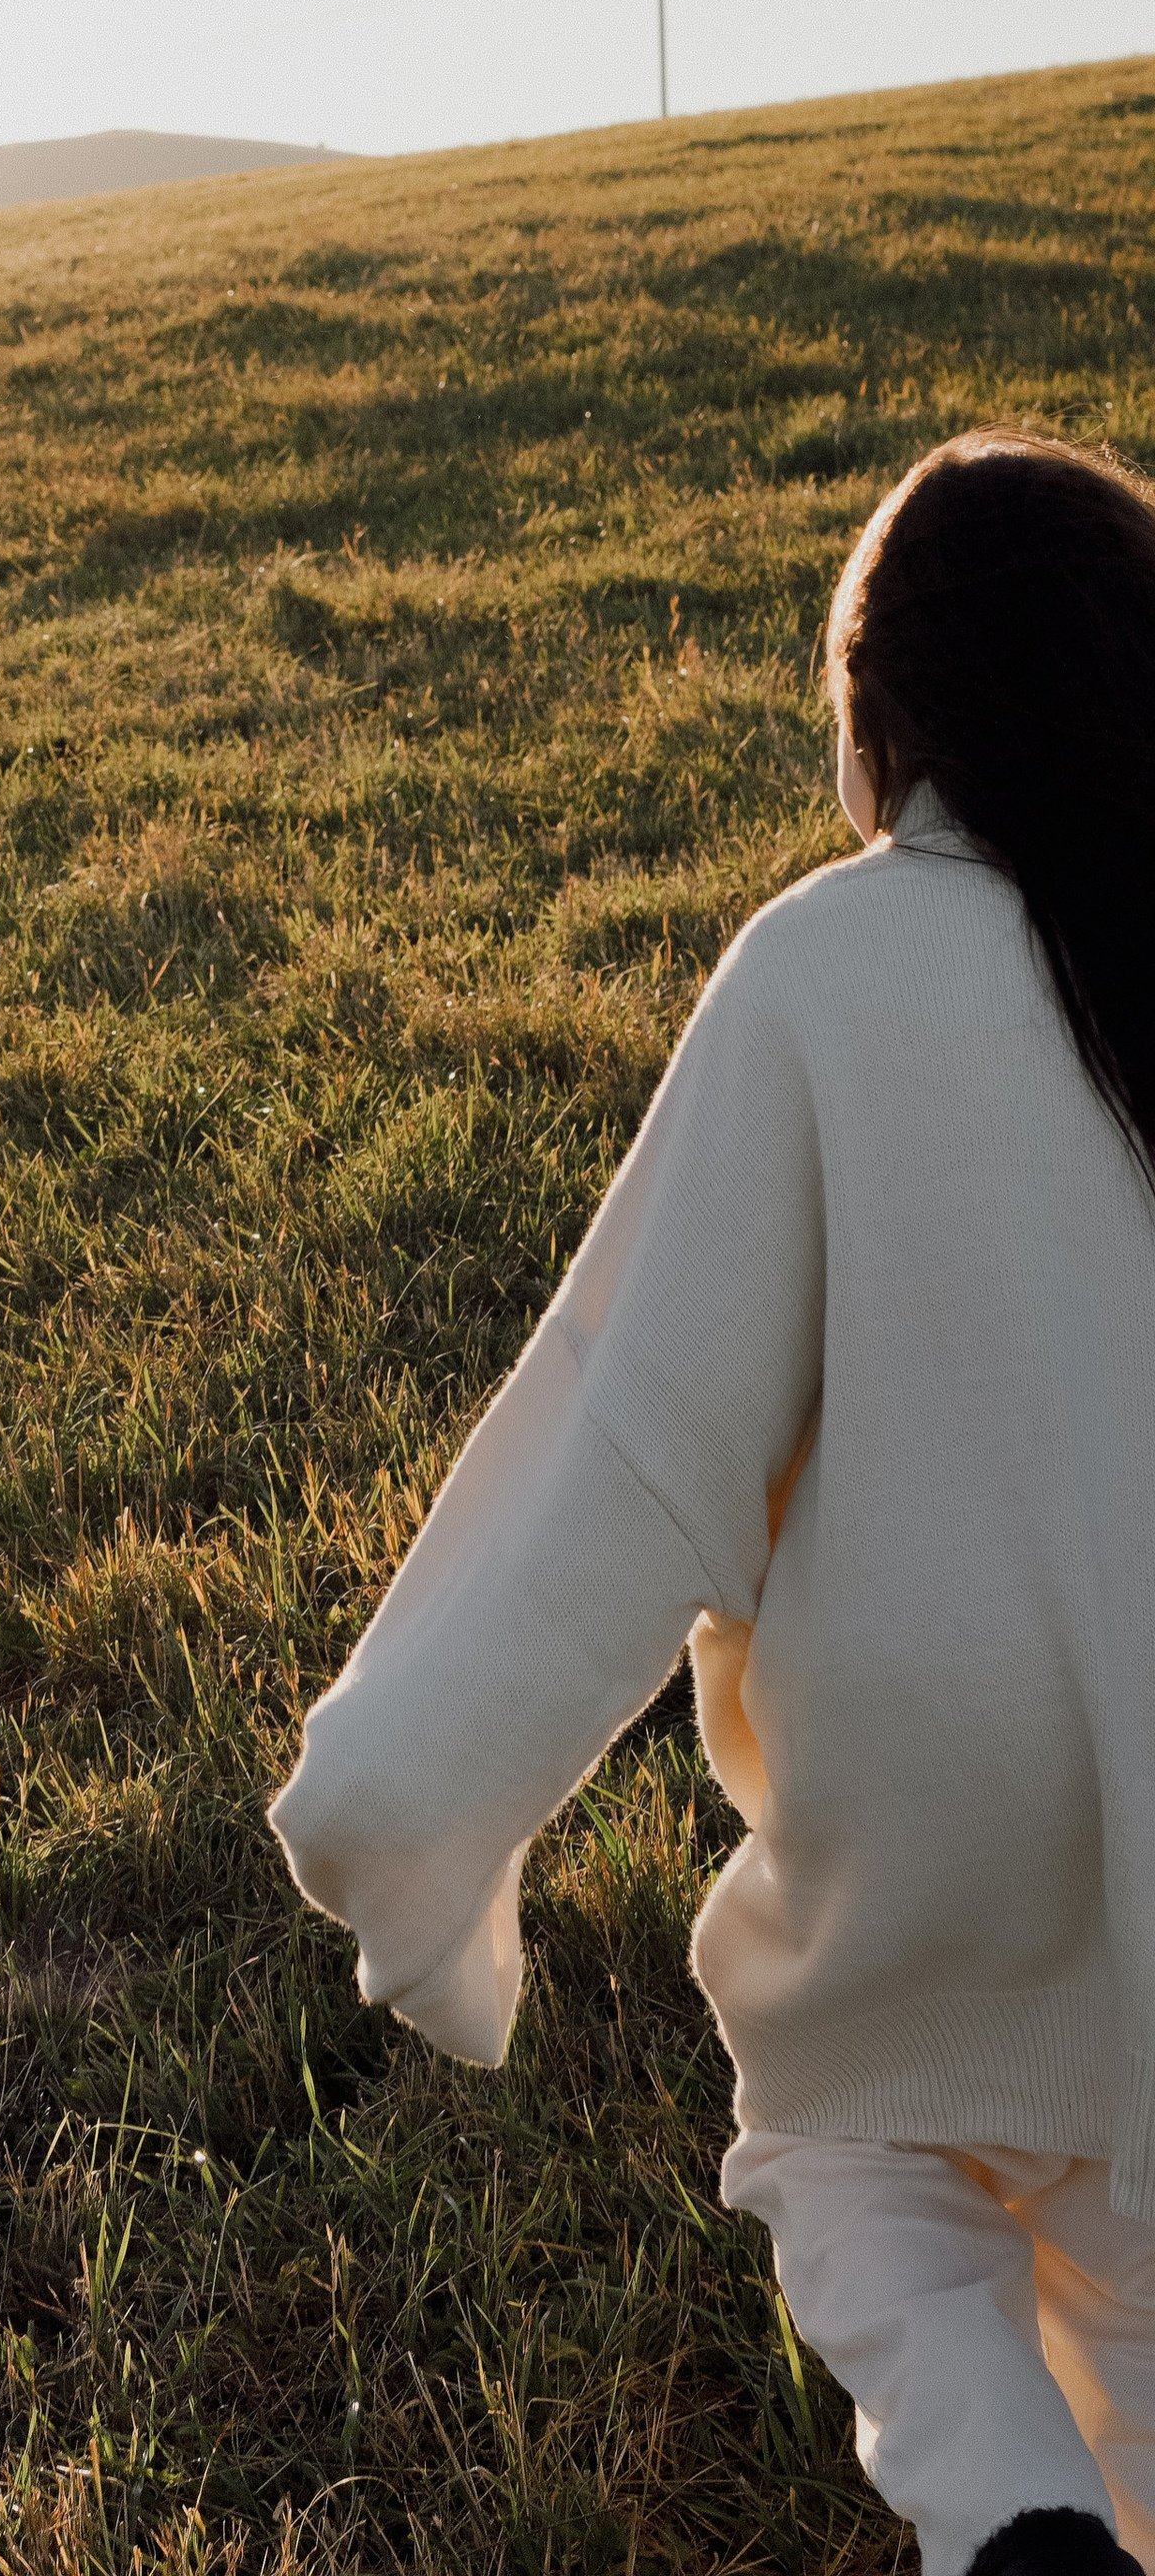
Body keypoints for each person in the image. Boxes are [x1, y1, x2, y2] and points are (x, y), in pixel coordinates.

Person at [271, 434, 1155, 2576]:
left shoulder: (826, 974)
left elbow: (623, 1454)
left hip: (938, 1851)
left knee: (854, 2156)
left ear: (875, 733)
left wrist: (392, 1811)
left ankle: (1001, 2502)